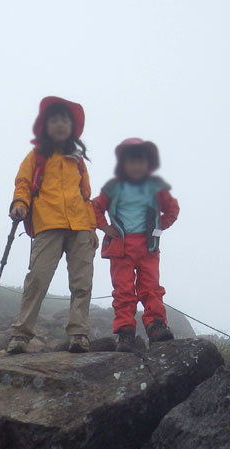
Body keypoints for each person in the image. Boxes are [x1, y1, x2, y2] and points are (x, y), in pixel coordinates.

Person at [6, 96, 98, 354]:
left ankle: (79, 334)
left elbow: (86, 195)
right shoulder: (36, 156)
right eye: (55, 120)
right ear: (46, 125)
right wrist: (19, 203)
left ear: (72, 126)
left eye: (65, 120)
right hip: (48, 222)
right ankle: (21, 335)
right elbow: (23, 183)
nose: (60, 124)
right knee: (38, 278)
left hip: (80, 224)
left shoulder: (77, 160)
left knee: (82, 282)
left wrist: (91, 227)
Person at [92, 138, 180, 353]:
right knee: (123, 290)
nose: (137, 166)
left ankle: (156, 327)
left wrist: (160, 227)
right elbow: (94, 207)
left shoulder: (156, 188)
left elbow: (172, 208)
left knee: (151, 288)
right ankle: (125, 334)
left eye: (141, 161)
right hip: (121, 248)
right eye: (132, 161)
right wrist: (104, 227)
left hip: (148, 247)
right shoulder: (113, 187)